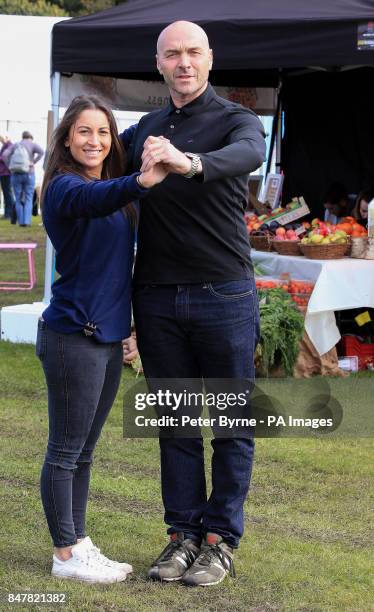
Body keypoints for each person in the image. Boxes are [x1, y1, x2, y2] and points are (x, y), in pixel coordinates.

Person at [123, 20, 266, 587]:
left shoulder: (237, 120)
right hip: (156, 297)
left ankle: (219, 540)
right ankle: (182, 534)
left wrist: (189, 162)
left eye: (193, 53)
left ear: (210, 59)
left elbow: (247, 156)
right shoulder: (146, 129)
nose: (183, 62)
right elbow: (102, 169)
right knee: (176, 424)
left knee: (232, 424)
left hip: (223, 293)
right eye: (172, 54)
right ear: (158, 64)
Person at [38, 95, 167, 584]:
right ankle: (64, 556)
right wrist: (139, 180)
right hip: (74, 336)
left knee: (85, 451)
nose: (95, 141)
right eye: (84, 132)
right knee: (66, 450)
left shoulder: (110, 189)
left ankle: (79, 541)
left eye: (104, 133)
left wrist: (128, 327)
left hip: (107, 336)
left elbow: (118, 270)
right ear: (67, 138)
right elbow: (94, 200)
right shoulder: (64, 188)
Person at [6, 130, 44, 226]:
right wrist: (33, 162)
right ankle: (27, 222)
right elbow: (41, 152)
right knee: (28, 197)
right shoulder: (32, 144)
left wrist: (10, 166)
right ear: (30, 138)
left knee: (18, 198)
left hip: (16, 174)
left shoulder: (15, 145)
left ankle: (21, 222)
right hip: (29, 174)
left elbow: (4, 155)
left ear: (22, 137)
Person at [0, 133, 16, 222]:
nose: (1, 140)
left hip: (7, 173)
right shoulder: (5, 146)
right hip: (3, 173)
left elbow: (5, 157)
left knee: (8, 194)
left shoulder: (10, 146)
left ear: (7, 137)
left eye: (2, 139)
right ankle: (7, 213)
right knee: (6, 194)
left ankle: (10, 214)